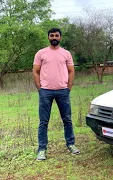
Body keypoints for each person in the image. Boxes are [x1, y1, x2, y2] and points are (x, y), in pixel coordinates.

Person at [33, 28, 80, 161]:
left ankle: (71, 144)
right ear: (48, 37)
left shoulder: (66, 53)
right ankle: (42, 149)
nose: (54, 37)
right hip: (45, 92)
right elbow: (35, 71)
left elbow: (71, 71)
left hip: (63, 91)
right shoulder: (41, 53)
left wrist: (68, 87)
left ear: (60, 37)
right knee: (43, 122)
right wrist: (39, 88)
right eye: (52, 35)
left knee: (67, 119)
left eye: (57, 35)